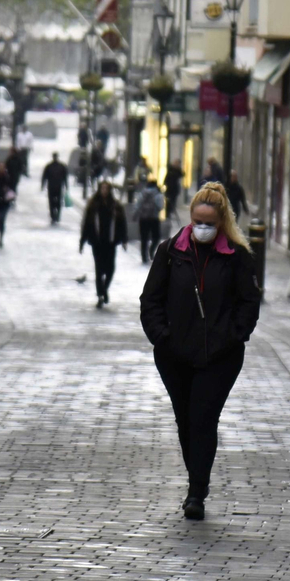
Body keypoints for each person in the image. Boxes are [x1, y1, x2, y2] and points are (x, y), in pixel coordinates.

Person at [139, 182, 261, 520]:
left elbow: (249, 304)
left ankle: (196, 491)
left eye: (209, 222)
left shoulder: (236, 257)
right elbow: (150, 300)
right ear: (190, 218)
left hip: (220, 357)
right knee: (185, 420)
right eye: (197, 221)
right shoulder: (170, 252)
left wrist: (234, 336)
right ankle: (198, 477)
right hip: (175, 354)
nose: (202, 228)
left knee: (203, 419)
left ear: (221, 222)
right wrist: (162, 337)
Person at [80, 180, 127, 307]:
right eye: (103, 188)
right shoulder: (93, 205)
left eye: (107, 188)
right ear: (99, 190)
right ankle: (100, 294)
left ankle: (104, 289)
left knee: (110, 268)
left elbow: (122, 224)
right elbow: (87, 224)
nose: (105, 191)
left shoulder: (116, 206)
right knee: (99, 269)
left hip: (111, 242)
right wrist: (82, 241)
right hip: (97, 242)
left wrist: (124, 240)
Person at [134, 179, 165, 263]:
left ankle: (144, 257)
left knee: (144, 238)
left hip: (143, 218)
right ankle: (151, 251)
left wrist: (135, 215)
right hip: (154, 218)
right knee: (156, 237)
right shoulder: (158, 194)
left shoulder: (142, 193)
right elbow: (161, 206)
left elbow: (137, 205)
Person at [42, 152, 69, 225]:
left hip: (52, 186)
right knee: (57, 202)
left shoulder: (49, 166)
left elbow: (44, 176)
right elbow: (65, 177)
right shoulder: (62, 166)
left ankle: (53, 216)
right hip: (58, 186)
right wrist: (66, 185)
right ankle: (56, 216)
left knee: (52, 202)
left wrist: (43, 185)